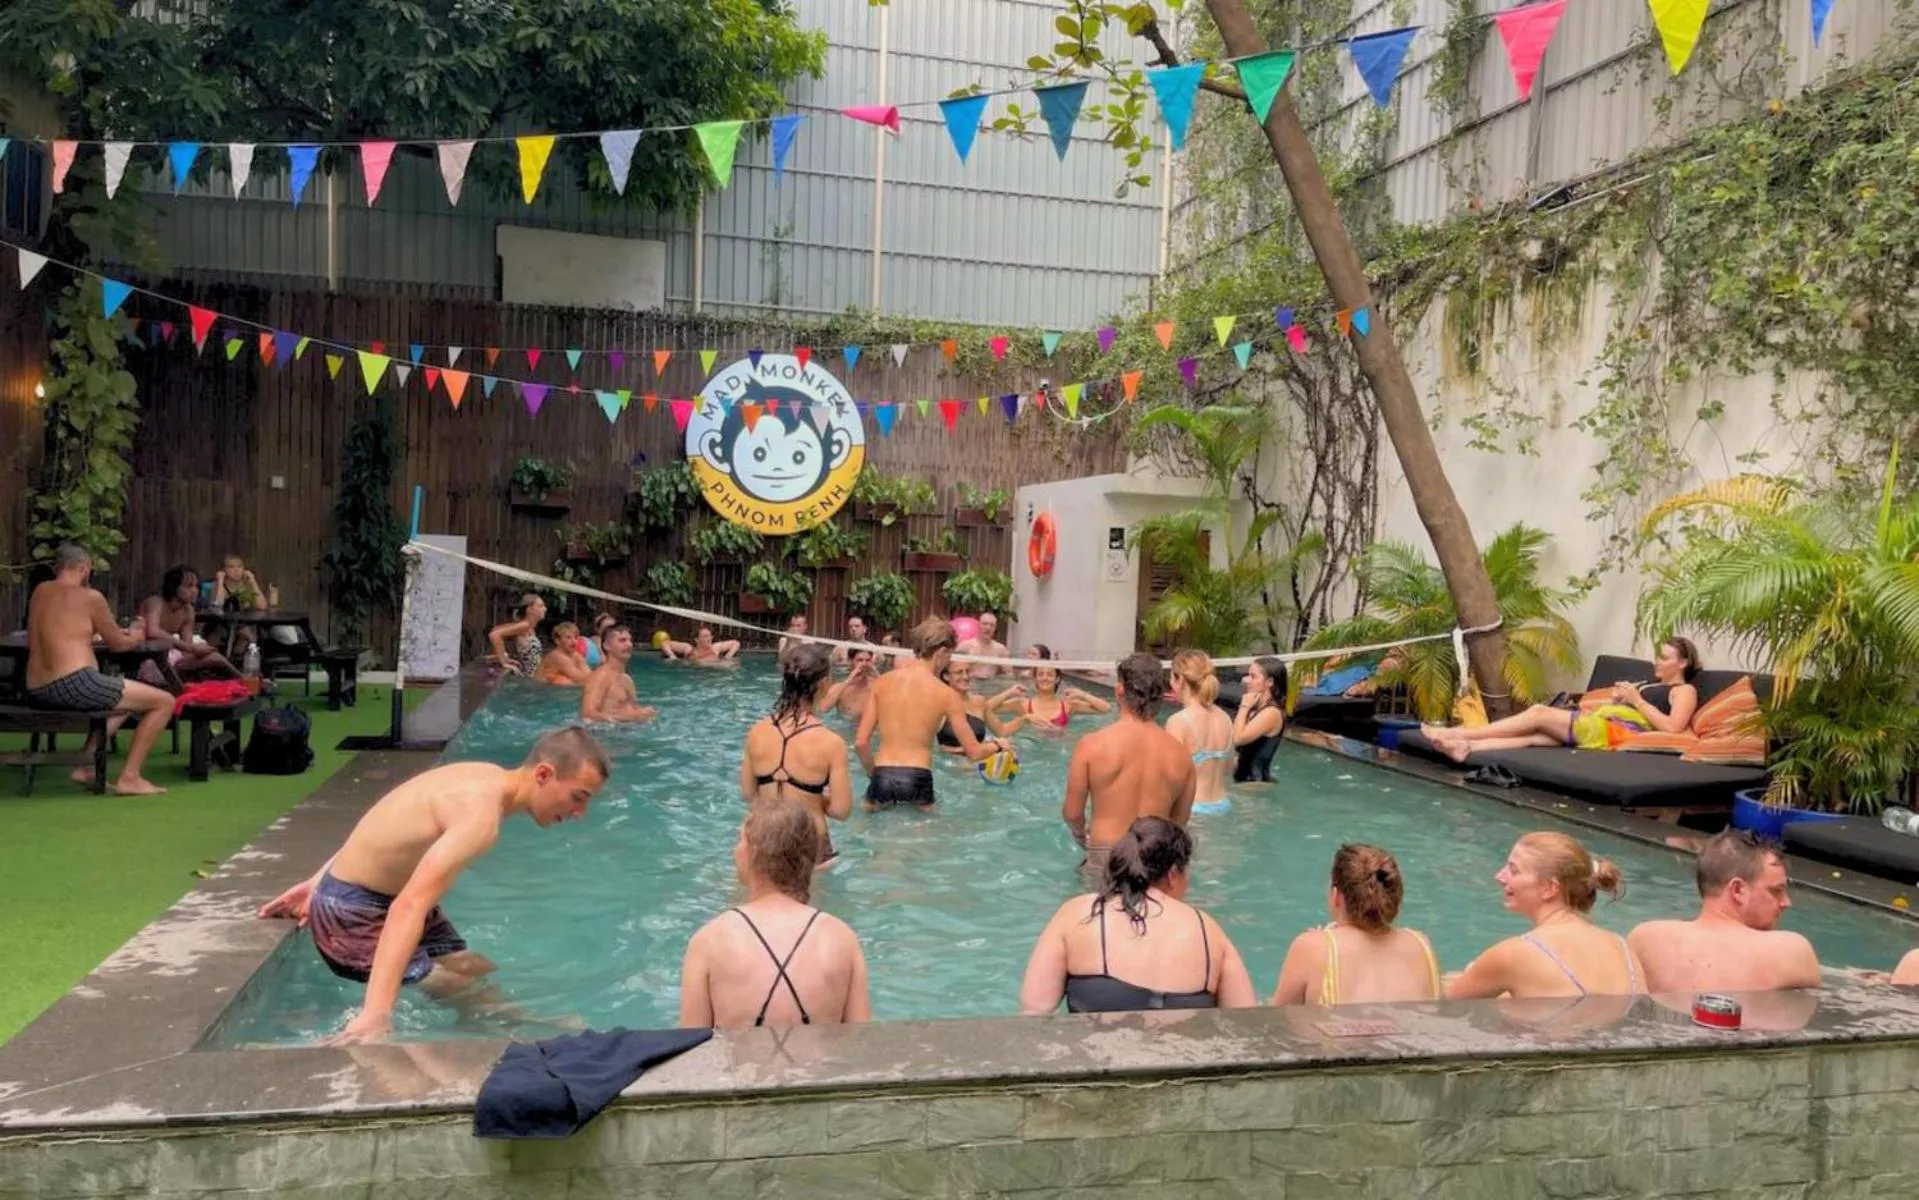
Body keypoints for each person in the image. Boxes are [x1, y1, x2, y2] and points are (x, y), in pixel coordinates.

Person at [256, 727, 611, 1043]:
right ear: (545, 774)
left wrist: (318, 880)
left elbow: (390, 819)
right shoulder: (481, 818)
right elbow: (409, 905)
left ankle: (496, 1023)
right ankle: (511, 1028)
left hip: (363, 894)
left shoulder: (483, 774)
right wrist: (376, 1013)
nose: (580, 813)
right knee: (458, 987)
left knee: (475, 969)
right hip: (353, 916)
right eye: (579, 797)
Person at [1019, 817, 1256, 1014]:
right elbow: (1246, 1019)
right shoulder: (1208, 930)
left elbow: (1034, 1013)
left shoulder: (1077, 915)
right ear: (1173, 874)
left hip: (1098, 1064)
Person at [678, 801, 871, 1029]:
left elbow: (689, 1044)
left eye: (740, 840)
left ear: (754, 853)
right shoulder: (842, 939)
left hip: (741, 1065)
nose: (734, 849)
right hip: (818, 1064)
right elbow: (862, 1042)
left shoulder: (709, 941)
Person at [22, 544, 176, 796]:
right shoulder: (90, 596)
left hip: (36, 687)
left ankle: (85, 764)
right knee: (164, 701)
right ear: (84, 567)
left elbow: (51, 632)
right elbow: (118, 644)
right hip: (74, 683)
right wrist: (135, 637)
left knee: (125, 698)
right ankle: (130, 777)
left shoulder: (40, 591)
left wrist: (87, 635)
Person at [1422, 638, 1703, 762]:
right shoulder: (1650, 685)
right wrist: (1621, 700)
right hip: (1602, 724)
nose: (1657, 661)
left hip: (1612, 733)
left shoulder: (1683, 691)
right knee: (1532, 736)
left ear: (1683, 663)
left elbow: (1673, 728)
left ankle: (1456, 731)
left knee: (1538, 713)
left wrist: (1636, 701)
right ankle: (1466, 747)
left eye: (1664, 657)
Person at [1448, 833, 1644, 999]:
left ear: (1549, 888)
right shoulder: (1621, 946)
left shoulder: (1516, 953)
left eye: (1513, 870)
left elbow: (1443, 1001)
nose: (1499, 876)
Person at [1626, 830, 1821, 993]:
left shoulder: (1645, 939)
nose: (1787, 902)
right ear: (1738, 890)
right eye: (1776, 891)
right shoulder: (1790, 950)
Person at [1062, 653, 1196, 878]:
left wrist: (1080, 836)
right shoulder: (1182, 755)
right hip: (1154, 859)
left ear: (1119, 691)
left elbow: (1073, 812)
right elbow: (1179, 821)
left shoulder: (1091, 745)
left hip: (1107, 853)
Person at [855, 617, 1012, 807]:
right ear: (941, 652)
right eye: (950, 656)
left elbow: (861, 743)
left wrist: (876, 775)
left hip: (881, 774)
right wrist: (998, 745)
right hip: (917, 776)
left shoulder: (882, 682)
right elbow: (974, 752)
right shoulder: (945, 693)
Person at [1270, 844, 1442, 1006]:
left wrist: (1317, 943)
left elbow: (1275, 1022)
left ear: (1336, 896)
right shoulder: (1420, 943)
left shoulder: (1311, 948)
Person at [741, 645, 853, 865]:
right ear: (824, 684)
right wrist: (808, 798)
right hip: (810, 840)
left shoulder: (757, 731)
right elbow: (841, 811)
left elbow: (749, 794)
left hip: (765, 837)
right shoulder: (831, 743)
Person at [139, 565, 242, 681]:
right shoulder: (156, 602)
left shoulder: (188, 611)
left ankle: (244, 681)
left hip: (167, 658)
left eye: (196, 586)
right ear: (174, 587)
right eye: (189, 586)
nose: (194, 591)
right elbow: (153, 632)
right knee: (152, 665)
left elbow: (186, 649)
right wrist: (191, 648)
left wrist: (201, 651)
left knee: (214, 657)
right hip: (143, 657)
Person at [1166, 650, 1233, 813]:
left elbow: (1169, 777)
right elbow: (1228, 768)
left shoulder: (1179, 721)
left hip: (1192, 809)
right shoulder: (1225, 718)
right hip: (1223, 805)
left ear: (1180, 680)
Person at [936, 661, 1020, 752]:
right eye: (959, 672)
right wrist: (985, 748)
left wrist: (1025, 719)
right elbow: (933, 747)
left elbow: (1002, 730)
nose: (965, 676)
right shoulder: (938, 705)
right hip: (949, 763)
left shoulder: (979, 702)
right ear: (946, 676)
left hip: (977, 763)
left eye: (967, 671)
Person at [581, 625, 657, 723]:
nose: (629, 644)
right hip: (602, 735)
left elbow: (632, 712)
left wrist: (643, 714)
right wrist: (632, 717)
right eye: (622, 640)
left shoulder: (627, 679)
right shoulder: (601, 676)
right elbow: (588, 715)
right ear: (606, 646)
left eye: (630, 640)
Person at [1231, 657, 1288, 783]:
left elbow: (1238, 739)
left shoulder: (1271, 713)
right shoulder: (1256, 708)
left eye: (1253, 676)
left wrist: (1244, 706)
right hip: (1244, 780)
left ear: (1269, 682)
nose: (1246, 680)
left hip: (1255, 783)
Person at [1013, 664, 1111, 732]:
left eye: (1050, 674)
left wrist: (1082, 694)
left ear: (1057, 679)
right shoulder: (1024, 704)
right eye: (1040, 674)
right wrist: (1008, 693)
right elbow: (996, 709)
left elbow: (1106, 708)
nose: (1045, 678)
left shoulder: (1068, 705)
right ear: (1036, 679)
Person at [487, 594, 547, 677]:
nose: (545, 609)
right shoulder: (524, 626)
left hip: (535, 677)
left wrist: (503, 656)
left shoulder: (528, 626)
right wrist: (504, 661)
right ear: (529, 609)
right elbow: (494, 635)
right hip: (530, 677)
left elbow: (496, 629)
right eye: (541, 606)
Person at [821, 645, 880, 720]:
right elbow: (823, 709)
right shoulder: (840, 688)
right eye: (860, 660)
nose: (864, 664)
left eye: (868, 660)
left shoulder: (877, 686)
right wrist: (847, 682)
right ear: (850, 661)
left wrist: (879, 677)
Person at [957, 611, 1010, 680]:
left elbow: (1009, 673)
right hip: (970, 685)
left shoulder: (1000, 649)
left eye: (992, 625)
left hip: (990, 685)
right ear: (978, 625)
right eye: (985, 624)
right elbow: (953, 668)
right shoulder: (965, 646)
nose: (988, 627)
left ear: (995, 628)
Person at [663, 625, 741, 665]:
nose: (709, 639)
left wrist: (728, 657)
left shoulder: (715, 648)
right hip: (694, 674)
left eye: (710, 636)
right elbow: (665, 643)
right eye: (705, 636)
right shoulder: (688, 649)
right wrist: (672, 656)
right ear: (697, 640)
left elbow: (736, 643)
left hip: (713, 673)